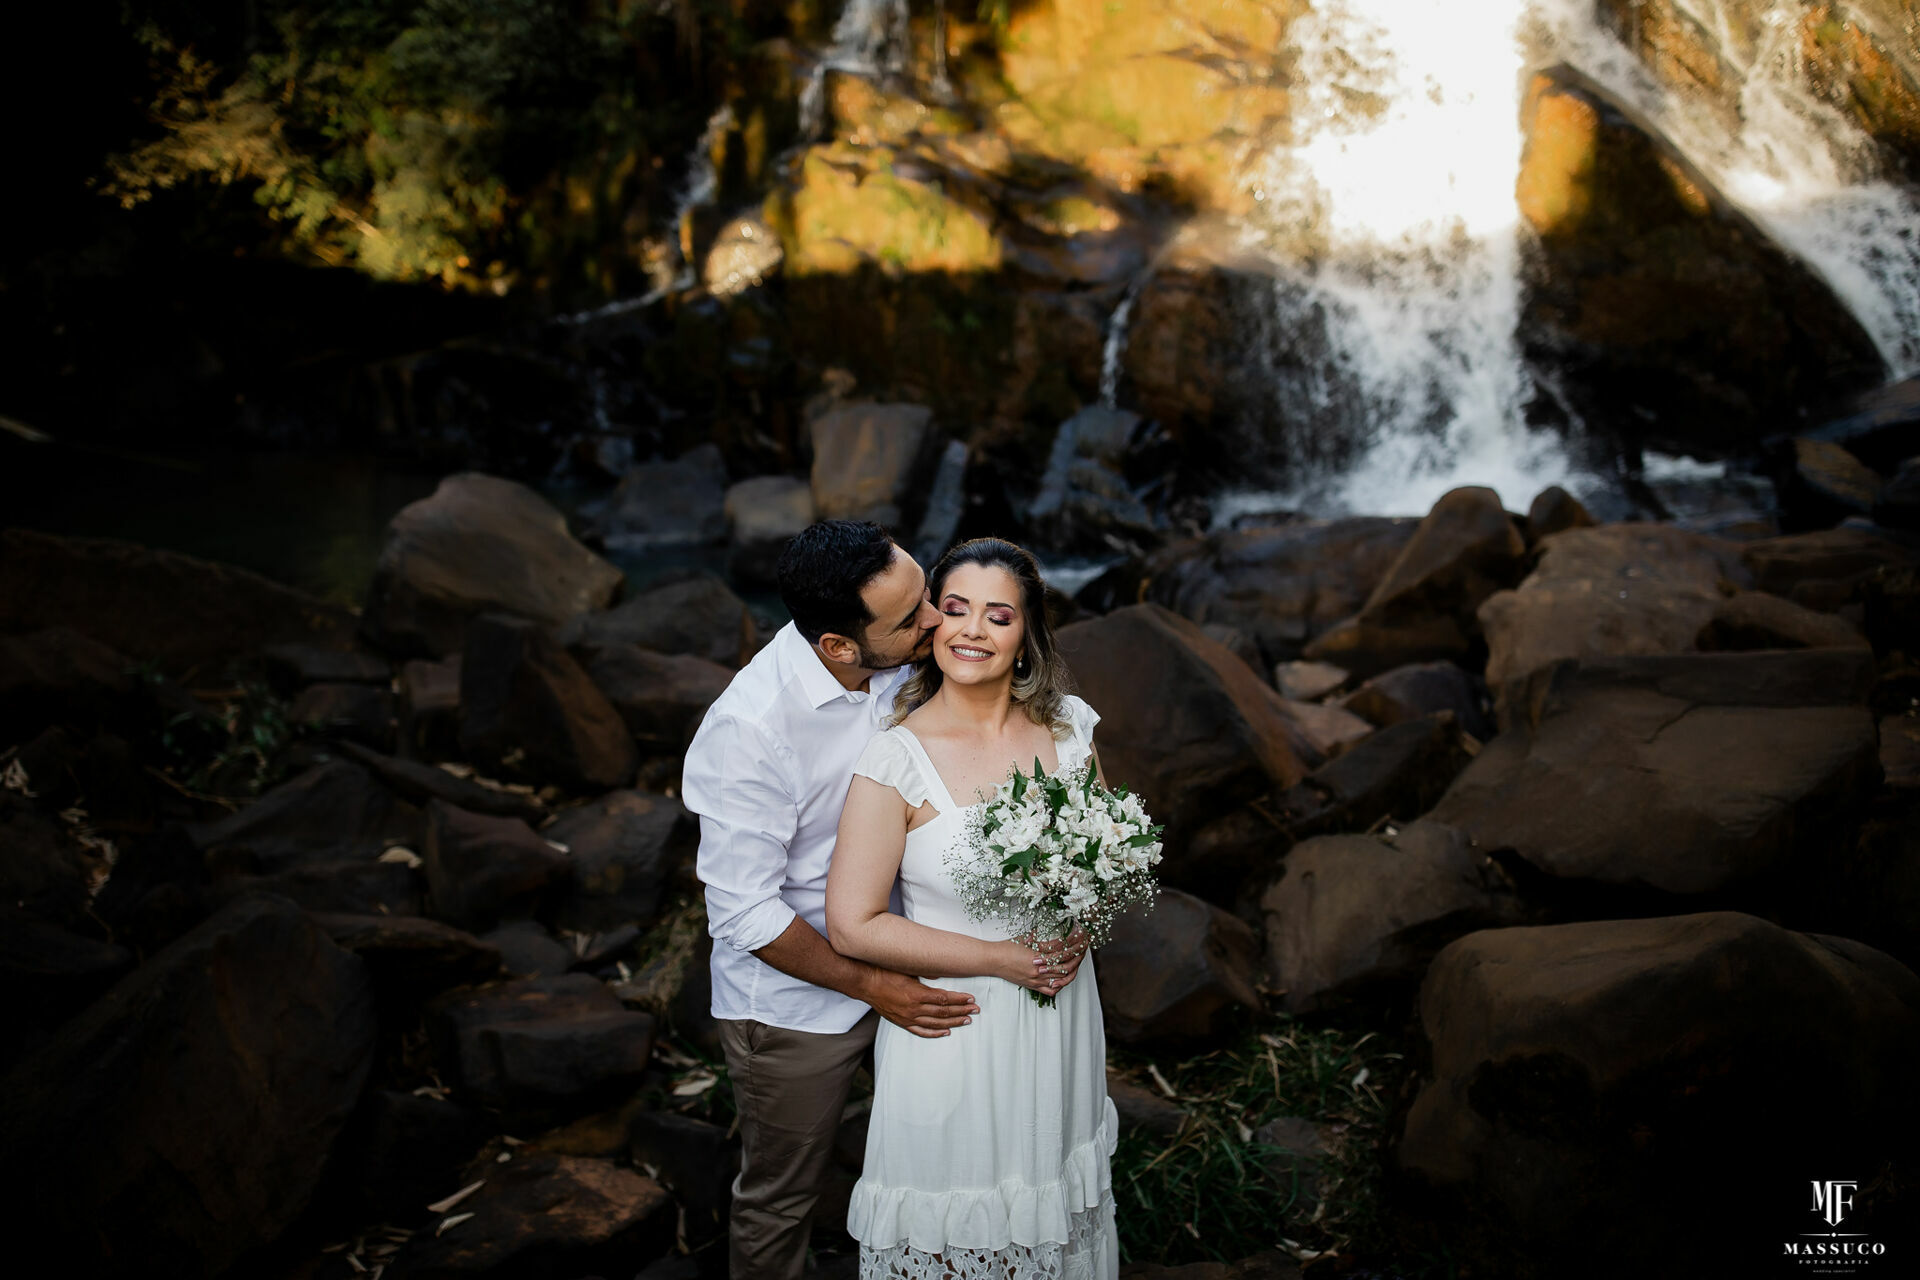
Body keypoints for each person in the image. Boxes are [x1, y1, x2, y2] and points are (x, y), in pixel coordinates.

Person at [686, 521, 1084, 1280]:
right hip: (798, 1003)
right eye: (913, 618)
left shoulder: (906, 655)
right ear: (840, 646)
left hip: (932, 956)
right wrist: (875, 985)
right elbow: (743, 914)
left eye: (928, 595)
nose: (937, 622)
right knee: (782, 1197)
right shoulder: (749, 730)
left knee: (952, 1164)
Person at [826, 536, 1117, 1280]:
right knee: (958, 1224)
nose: (973, 630)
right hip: (957, 1026)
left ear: (1027, 634)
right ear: (932, 623)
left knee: (1054, 1204)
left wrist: (1082, 922)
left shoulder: (1069, 730)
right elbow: (853, 923)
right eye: (955, 609)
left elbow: (1102, 855)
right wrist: (1000, 959)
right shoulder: (895, 759)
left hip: (1062, 1016)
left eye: (999, 616)